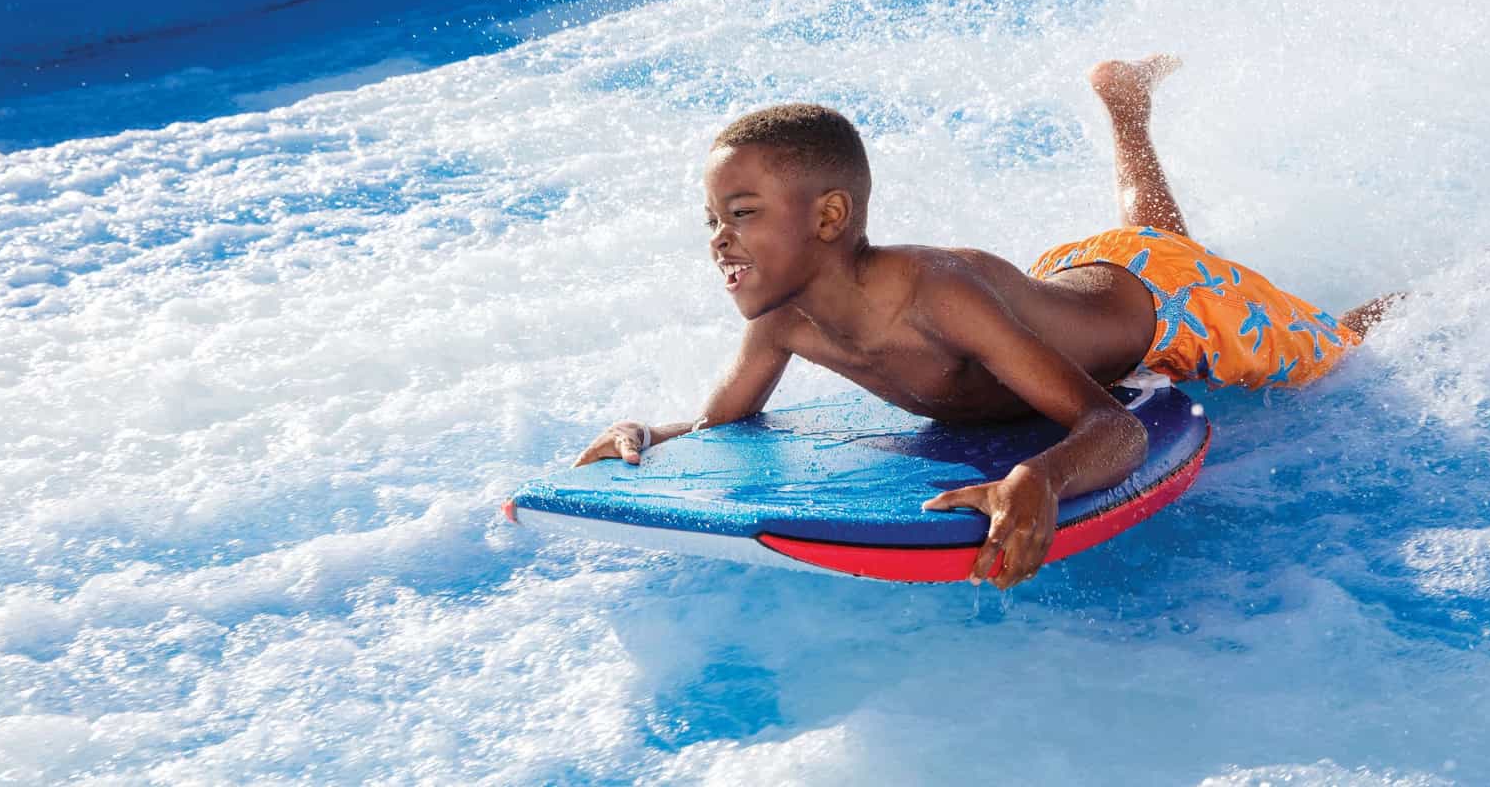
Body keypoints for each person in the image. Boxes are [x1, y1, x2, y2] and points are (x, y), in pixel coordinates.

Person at [575, 55, 1394, 588]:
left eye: (742, 213)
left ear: (830, 216)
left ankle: (1458, 281)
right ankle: (1127, 110)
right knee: (1155, 239)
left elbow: (1113, 427)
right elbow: (722, 426)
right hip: (1081, 282)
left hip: (1179, 303)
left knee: (1340, 345)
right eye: (711, 218)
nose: (719, 237)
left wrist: (1039, 476)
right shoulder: (785, 322)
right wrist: (647, 433)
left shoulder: (936, 294)